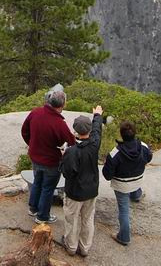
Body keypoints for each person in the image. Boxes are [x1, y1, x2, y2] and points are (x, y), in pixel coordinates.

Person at [21, 87, 75, 223]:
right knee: (48, 188)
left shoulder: (35, 113)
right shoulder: (59, 124)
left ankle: (33, 208)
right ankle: (42, 216)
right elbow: (72, 142)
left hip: (35, 156)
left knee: (37, 182)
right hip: (51, 161)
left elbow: (24, 131)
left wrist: (32, 144)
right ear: (62, 105)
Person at [59, 105, 103, 257]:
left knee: (72, 219)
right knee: (88, 218)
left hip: (75, 193)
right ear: (89, 131)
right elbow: (97, 130)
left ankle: (71, 247)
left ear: (75, 132)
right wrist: (97, 115)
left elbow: (66, 173)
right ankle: (84, 248)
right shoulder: (95, 144)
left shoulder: (72, 152)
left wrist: (63, 155)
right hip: (91, 190)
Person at [102, 120, 153, 246]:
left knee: (124, 211)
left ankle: (124, 237)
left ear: (121, 134)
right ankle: (136, 195)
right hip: (137, 179)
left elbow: (107, 175)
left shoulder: (116, 153)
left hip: (122, 185)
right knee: (135, 187)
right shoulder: (143, 146)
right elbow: (149, 157)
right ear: (134, 133)